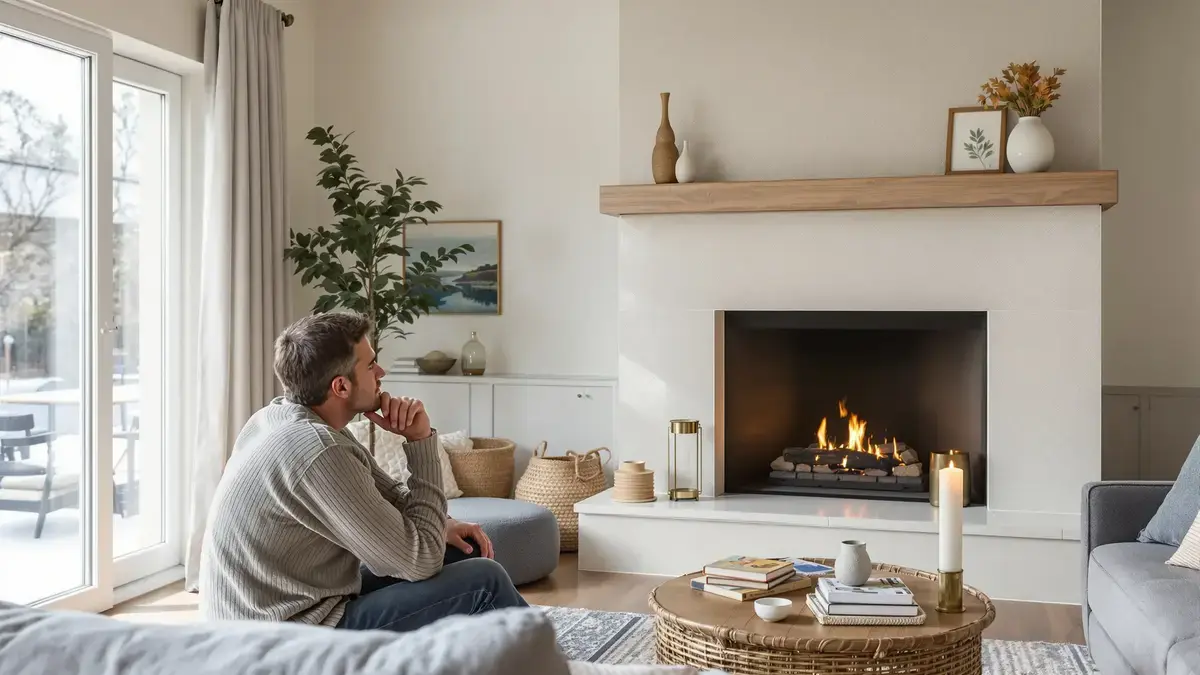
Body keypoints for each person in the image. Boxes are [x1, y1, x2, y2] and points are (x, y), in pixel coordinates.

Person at [199, 311, 528, 632]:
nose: (381, 371)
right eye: (371, 365)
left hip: (281, 610)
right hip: (282, 640)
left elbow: (390, 495)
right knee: (486, 581)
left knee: (455, 552)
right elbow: (420, 560)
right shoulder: (320, 449)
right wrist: (421, 441)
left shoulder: (281, 418)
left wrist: (444, 523)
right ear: (341, 387)